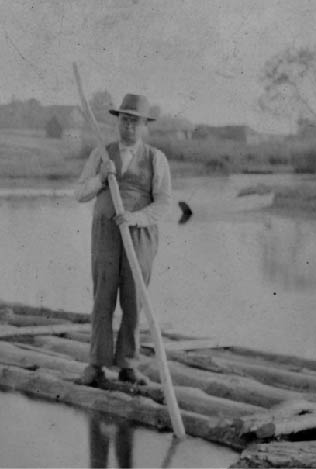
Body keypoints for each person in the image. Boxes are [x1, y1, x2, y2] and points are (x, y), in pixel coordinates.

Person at [72, 93, 174, 387]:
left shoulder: (156, 158)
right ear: (118, 122)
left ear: (145, 126)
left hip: (139, 236)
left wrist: (135, 218)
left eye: (136, 122)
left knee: (133, 299)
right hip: (105, 232)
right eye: (125, 120)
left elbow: (164, 204)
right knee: (102, 298)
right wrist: (102, 179)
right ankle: (96, 364)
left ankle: (128, 365)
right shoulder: (101, 154)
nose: (129, 127)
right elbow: (79, 193)